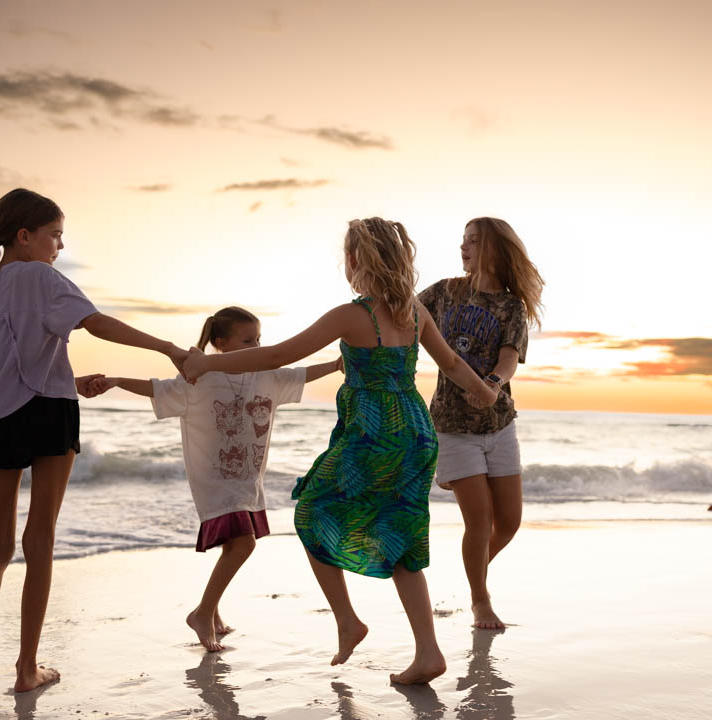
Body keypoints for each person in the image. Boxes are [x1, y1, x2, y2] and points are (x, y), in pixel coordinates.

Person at [183, 218, 499, 685]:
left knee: (311, 511)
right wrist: (485, 393)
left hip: (372, 433)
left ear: (355, 261)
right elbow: (450, 363)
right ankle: (427, 651)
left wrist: (208, 362)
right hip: (415, 433)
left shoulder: (354, 315)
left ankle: (348, 620)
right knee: (401, 535)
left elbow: (275, 357)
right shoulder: (414, 312)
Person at [0, 188, 189, 720]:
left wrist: (65, 375)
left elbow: (12, 362)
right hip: (48, 413)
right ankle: (27, 667)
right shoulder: (43, 277)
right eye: (54, 235)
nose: (60, 245)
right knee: (40, 539)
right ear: (24, 235)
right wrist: (167, 347)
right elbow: (96, 322)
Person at [89, 306, 342, 651]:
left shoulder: (265, 374)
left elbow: (301, 374)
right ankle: (202, 613)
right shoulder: (201, 378)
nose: (257, 346)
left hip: (248, 480)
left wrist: (337, 364)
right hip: (214, 480)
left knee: (233, 544)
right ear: (220, 343)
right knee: (244, 543)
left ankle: (214, 613)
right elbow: (157, 389)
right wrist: (116, 381)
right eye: (248, 340)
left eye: (259, 339)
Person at [418, 217, 544, 630]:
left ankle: (474, 571)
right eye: (463, 240)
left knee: (509, 523)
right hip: (452, 426)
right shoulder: (444, 292)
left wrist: (492, 382)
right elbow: (400, 313)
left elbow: (509, 358)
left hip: (500, 423)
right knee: (481, 521)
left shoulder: (510, 306)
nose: (463, 247)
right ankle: (480, 601)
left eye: (473, 241)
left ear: (493, 248)